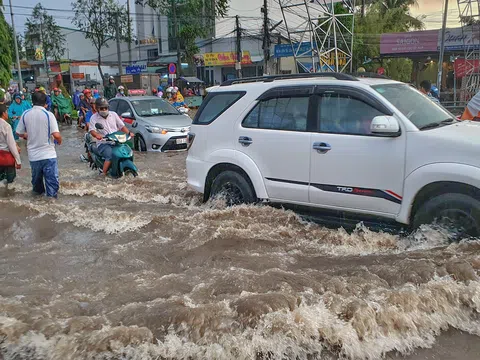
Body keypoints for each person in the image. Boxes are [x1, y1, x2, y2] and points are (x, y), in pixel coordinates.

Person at [15, 91, 62, 198]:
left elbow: (19, 132)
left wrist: (28, 135)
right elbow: (56, 134)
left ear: (33, 101)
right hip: (48, 155)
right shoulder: (49, 115)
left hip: (34, 156)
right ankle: (51, 207)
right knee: (52, 187)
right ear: (45, 102)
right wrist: (59, 141)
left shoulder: (26, 114)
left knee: (37, 187)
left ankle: (37, 204)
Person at [88, 97, 131, 176]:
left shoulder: (113, 115)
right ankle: (103, 173)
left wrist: (129, 133)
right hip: (103, 143)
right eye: (102, 108)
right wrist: (97, 135)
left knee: (126, 151)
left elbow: (122, 126)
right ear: (97, 109)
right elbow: (92, 130)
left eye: (106, 108)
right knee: (110, 155)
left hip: (116, 141)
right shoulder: (93, 118)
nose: (104, 110)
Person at [0, 104, 21, 185]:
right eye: (7, 112)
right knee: (10, 184)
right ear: (4, 113)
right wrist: (18, 160)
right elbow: (11, 145)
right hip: (6, 159)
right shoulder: (6, 126)